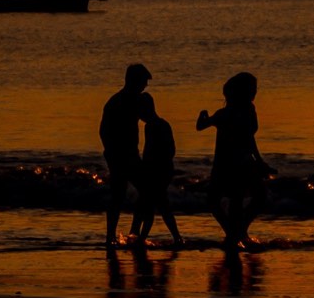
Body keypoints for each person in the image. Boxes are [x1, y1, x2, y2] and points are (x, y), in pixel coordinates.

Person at [196, 71, 270, 253]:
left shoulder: (228, 113)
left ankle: (235, 234)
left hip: (232, 163)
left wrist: (203, 115)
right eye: (252, 89)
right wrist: (258, 160)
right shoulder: (244, 112)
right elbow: (250, 139)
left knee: (220, 200)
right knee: (246, 198)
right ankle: (237, 233)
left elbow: (201, 126)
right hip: (236, 163)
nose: (255, 92)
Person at [98, 63, 155, 249]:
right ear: (134, 81)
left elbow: (148, 118)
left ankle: (126, 233)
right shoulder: (120, 102)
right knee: (131, 192)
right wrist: (111, 153)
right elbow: (104, 131)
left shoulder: (124, 100)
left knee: (135, 192)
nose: (145, 86)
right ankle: (120, 235)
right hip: (122, 155)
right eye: (143, 82)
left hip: (128, 154)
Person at [127, 109, 183, 251]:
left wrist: (149, 166)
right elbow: (170, 149)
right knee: (157, 203)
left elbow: (154, 150)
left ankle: (140, 238)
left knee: (150, 203)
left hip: (158, 171)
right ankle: (175, 237)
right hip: (161, 169)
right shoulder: (160, 124)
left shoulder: (154, 126)